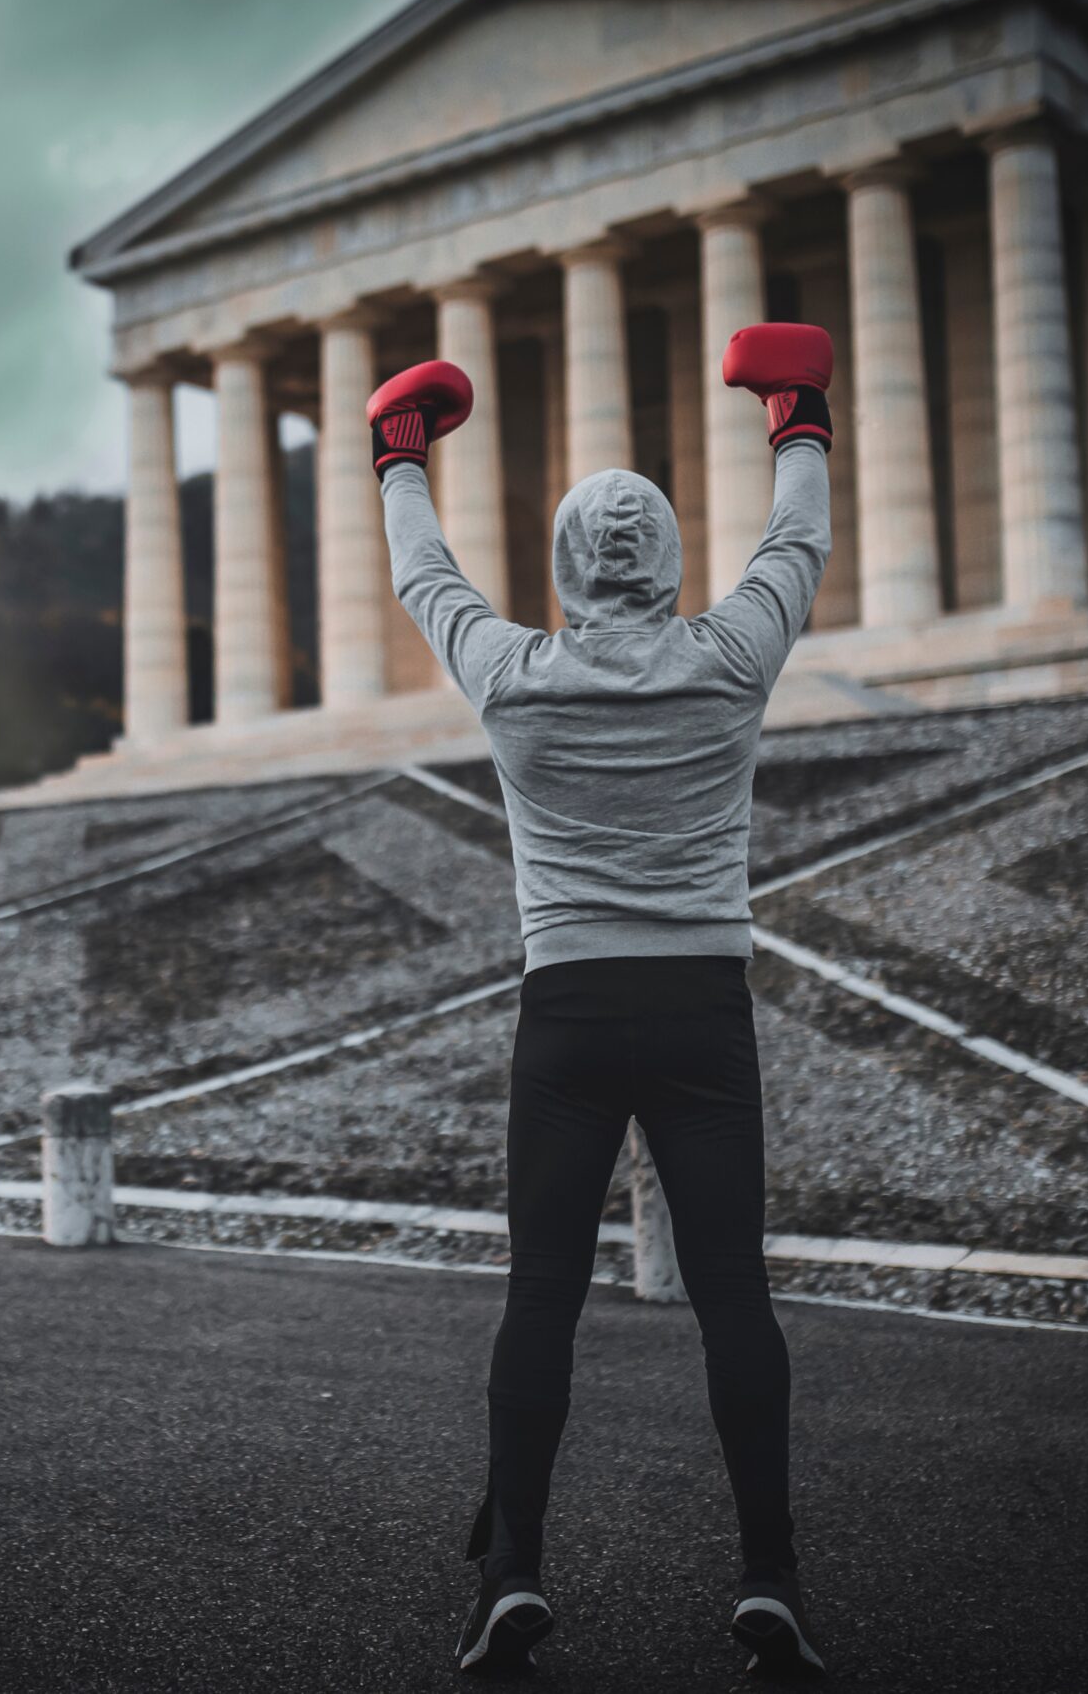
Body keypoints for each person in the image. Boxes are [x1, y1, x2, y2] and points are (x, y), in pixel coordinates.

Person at [365, 323, 836, 1680]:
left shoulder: (512, 674)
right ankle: (771, 1576)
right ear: (674, 560)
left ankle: (513, 1574)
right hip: (703, 1009)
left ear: (566, 571)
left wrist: (402, 452)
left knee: (544, 1298)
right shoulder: (733, 657)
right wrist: (795, 411)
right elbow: (795, 541)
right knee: (736, 1298)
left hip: (566, 1014)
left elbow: (424, 572)